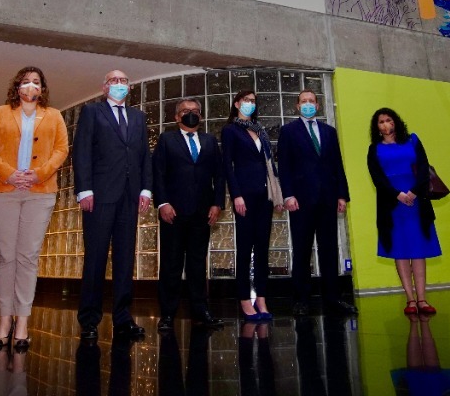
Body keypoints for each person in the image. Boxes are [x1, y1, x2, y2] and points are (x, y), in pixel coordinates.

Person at [0, 66, 69, 352]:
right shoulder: (0, 112)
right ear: (17, 86)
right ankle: (4, 321)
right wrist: (8, 173)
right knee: (7, 257)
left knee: (28, 257)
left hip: (39, 193)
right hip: (3, 190)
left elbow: (61, 149)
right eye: (26, 81)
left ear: (42, 88)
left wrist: (39, 173)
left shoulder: (54, 115)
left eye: (36, 82)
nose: (31, 86)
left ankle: (23, 324)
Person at [73, 70, 151, 341]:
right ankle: (89, 319)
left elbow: (144, 156)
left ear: (130, 87)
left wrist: (146, 188)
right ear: (104, 87)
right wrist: (84, 190)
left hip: (130, 196)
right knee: (95, 258)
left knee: (125, 258)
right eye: (114, 81)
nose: (120, 84)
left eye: (124, 81)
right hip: (99, 195)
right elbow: (82, 150)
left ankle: (122, 318)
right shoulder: (92, 112)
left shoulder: (139, 118)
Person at [278, 90, 357, 317]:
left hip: (328, 199)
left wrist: (342, 195)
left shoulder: (329, 132)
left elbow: (337, 166)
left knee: (329, 249)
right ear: (297, 106)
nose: (308, 104)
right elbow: (284, 166)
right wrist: (288, 195)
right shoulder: (288, 131)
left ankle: (333, 298)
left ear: (318, 106)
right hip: (300, 201)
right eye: (304, 101)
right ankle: (301, 299)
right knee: (302, 250)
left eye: (312, 101)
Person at [153, 98, 226, 331]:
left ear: (201, 116)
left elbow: (220, 174)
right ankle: (167, 314)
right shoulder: (166, 139)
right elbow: (158, 173)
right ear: (177, 117)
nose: (191, 114)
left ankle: (201, 310)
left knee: (197, 263)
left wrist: (217, 204)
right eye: (186, 111)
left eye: (195, 111)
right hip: (173, 212)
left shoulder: (210, 141)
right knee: (171, 263)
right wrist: (162, 203)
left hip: (202, 212)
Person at [366, 108, 441, 315]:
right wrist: (398, 195)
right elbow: (378, 179)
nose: (385, 124)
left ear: (396, 121)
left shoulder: (413, 141)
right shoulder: (374, 149)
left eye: (389, 120)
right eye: (381, 122)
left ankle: (423, 299)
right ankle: (410, 299)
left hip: (416, 203)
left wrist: (414, 192)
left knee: (418, 251)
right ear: (377, 127)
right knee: (400, 250)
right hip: (392, 206)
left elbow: (424, 167)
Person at [222, 90, 278, 321]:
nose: (250, 104)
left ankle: (262, 299)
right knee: (245, 249)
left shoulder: (261, 130)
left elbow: (269, 165)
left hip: (264, 196)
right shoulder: (230, 130)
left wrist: (277, 195)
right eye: (246, 100)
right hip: (244, 196)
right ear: (236, 104)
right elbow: (227, 164)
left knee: (263, 248)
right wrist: (236, 195)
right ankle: (245, 300)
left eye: (253, 101)